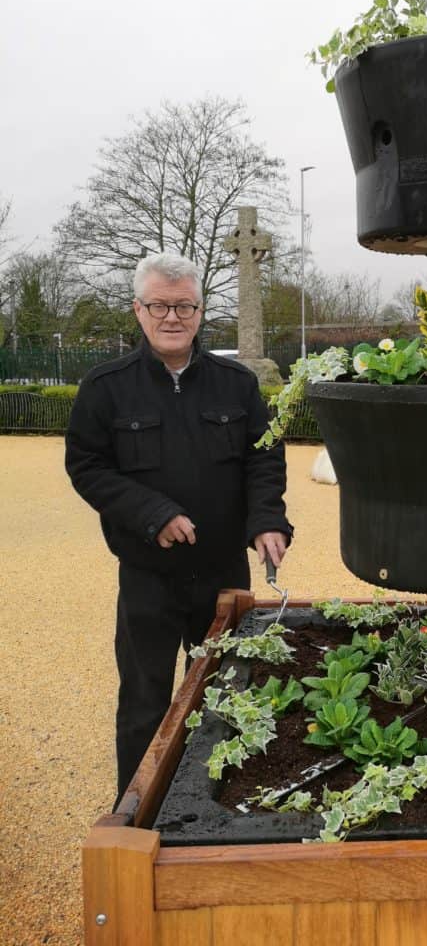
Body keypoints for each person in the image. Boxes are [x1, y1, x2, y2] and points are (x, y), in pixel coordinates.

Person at [65, 252, 292, 802]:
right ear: (139, 311)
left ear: (200, 310)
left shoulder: (236, 384)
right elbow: (87, 466)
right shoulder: (106, 387)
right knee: (144, 700)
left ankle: (214, 808)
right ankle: (136, 811)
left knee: (226, 695)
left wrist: (266, 519)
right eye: (160, 306)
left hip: (223, 575)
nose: (173, 317)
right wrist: (153, 515)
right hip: (148, 576)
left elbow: (264, 458)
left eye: (184, 306)